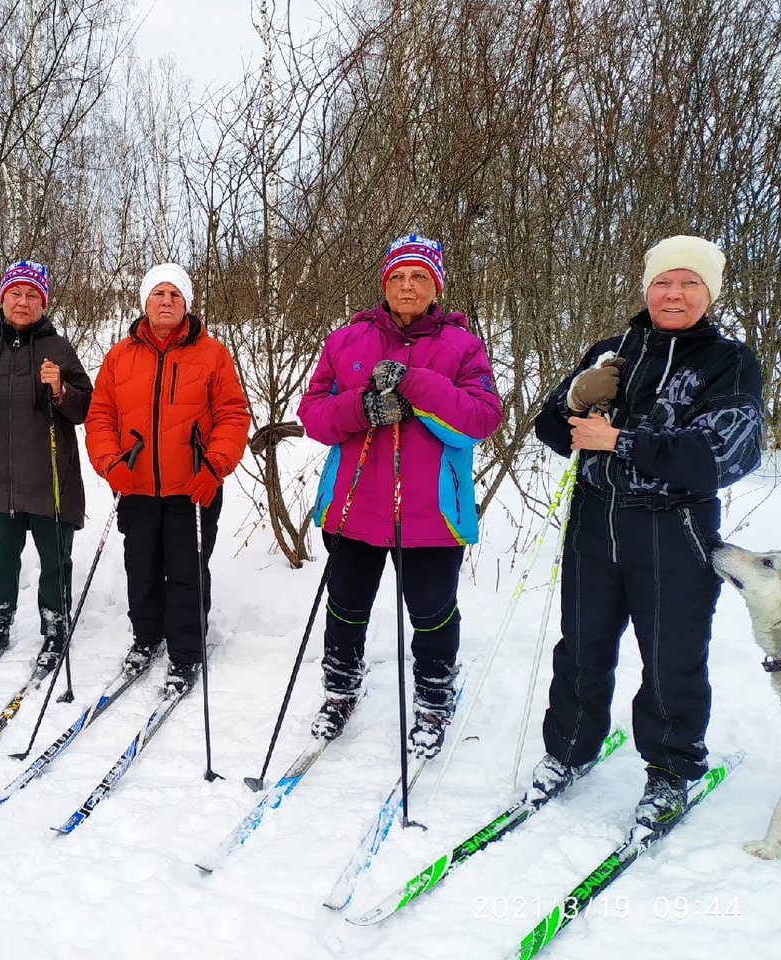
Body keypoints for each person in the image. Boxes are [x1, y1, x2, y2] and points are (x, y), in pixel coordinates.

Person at [530, 235, 763, 831]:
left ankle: (669, 771)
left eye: (689, 283)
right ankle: (569, 750)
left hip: (673, 530)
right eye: (663, 282)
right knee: (581, 647)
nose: (674, 293)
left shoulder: (726, 361)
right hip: (594, 522)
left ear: (708, 292)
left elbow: (728, 453)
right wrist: (575, 400)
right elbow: (554, 432)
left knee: (671, 658)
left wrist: (622, 440)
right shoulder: (612, 350)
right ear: (647, 288)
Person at [297, 235, 502, 755]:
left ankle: (434, 700)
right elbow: (314, 415)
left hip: (432, 514)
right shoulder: (345, 341)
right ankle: (340, 690)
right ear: (383, 285)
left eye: (418, 277)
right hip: (354, 507)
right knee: (345, 606)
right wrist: (360, 408)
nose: (406, 286)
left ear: (436, 286)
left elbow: (480, 420)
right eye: (397, 276)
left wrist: (416, 383)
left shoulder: (462, 346)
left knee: (432, 610)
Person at [84, 263, 250, 695]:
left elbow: (233, 415)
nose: (166, 302)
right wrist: (108, 461)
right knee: (140, 569)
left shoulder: (212, 354)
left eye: (175, 295)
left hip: (193, 488)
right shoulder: (120, 356)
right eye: (158, 294)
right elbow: (100, 415)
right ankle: (147, 637)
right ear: (144, 302)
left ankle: (187, 651)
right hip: (135, 486)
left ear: (186, 304)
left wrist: (215, 466)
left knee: (187, 572)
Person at [0, 261, 93, 673]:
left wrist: (60, 389)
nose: (23, 302)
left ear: (43, 303)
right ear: (3, 298)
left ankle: (55, 625)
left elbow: (85, 407)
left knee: (54, 557)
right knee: (1, 556)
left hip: (48, 475)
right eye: (16, 294)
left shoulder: (58, 348)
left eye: (32, 295)